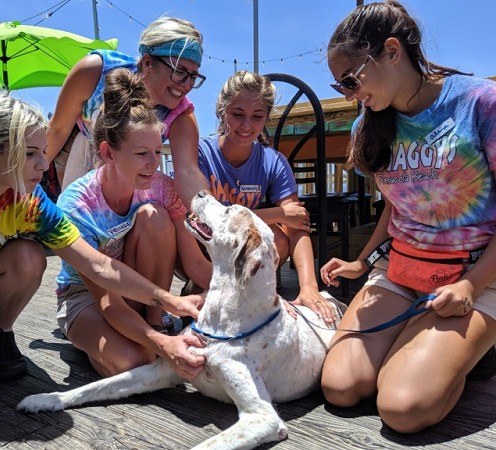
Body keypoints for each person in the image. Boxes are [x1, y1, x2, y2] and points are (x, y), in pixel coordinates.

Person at [0, 90, 203, 440]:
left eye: (43, 152)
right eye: (30, 154)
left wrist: (169, 300)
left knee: (29, 255)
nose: (44, 165)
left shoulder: (28, 198)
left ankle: (0, 332)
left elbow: (97, 264)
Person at [319, 0, 496, 433]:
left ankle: (471, 352)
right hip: (402, 270)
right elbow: (397, 206)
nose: (347, 94)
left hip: (474, 275)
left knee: (402, 408)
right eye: (339, 84)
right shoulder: (369, 123)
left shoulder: (479, 103)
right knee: (341, 387)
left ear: (392, 51)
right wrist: (363, 261)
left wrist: (471, 286)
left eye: (350, 79)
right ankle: (432, 350)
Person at [56, 68, 211, 379]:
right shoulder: (77, 204)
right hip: (86, 295)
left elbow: (195, 264)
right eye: (141, 154)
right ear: (108, 153)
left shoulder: (161, 188)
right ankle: (117, 338)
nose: (153, 164)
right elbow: (107, 298)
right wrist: (161, 345)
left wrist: (245, 293)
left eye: (157, 152)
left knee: (155, 216)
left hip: (140, 291)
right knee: (136, 362)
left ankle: (154, 323)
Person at [198, 70, 337, 324]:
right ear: (222, 112)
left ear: (266, 118)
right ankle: (203, 286)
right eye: (237, 114)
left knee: (280, 239)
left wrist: (309, 287)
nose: (246, 125)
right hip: (203, 249)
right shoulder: (202, 154)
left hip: (242, 255)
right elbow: (204, 219)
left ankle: (242, 295)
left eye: (257, 116)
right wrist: (278, 214)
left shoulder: (273, 161)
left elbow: (298, 224)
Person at [46, 16, 210, 206]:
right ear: (147, 62)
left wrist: (212, 214)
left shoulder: (182, 114)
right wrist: (21, 186)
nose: (187, 85)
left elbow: (188, 172)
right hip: (82, 151)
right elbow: (58, 130)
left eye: (193, 76)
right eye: (179, 71)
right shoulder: (94, 71)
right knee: (75, 212)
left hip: (131, 169)